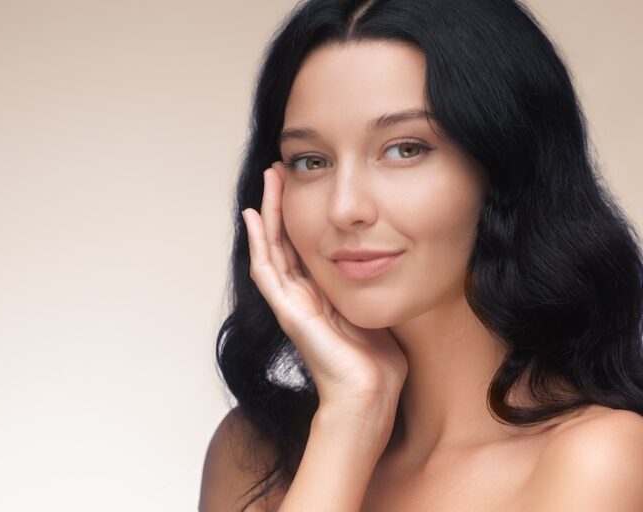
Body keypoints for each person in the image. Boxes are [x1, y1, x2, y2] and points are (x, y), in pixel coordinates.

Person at [200, 0, 643, 510]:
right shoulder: (254, 454)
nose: (345, 209)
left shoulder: (596, 459)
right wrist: (351, 417)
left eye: (405, 149)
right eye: (311, 161)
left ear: (505, 165)